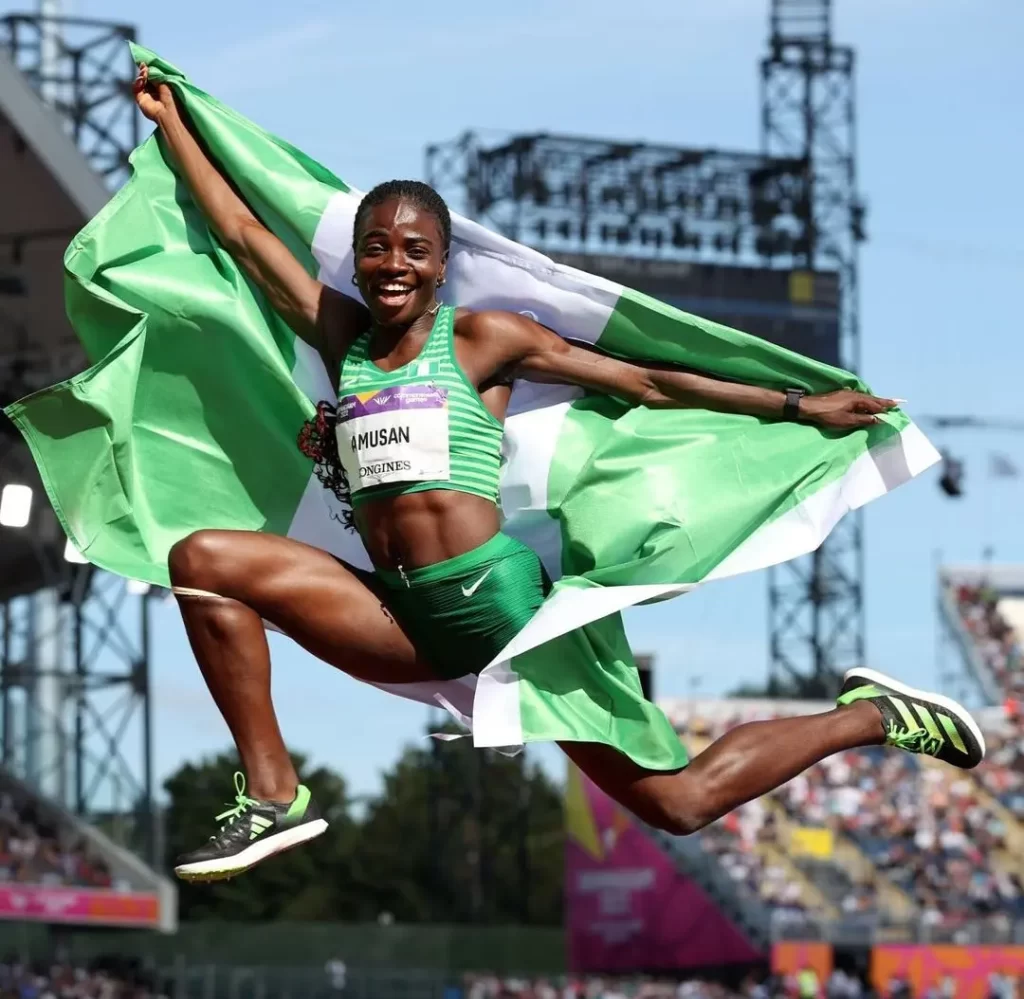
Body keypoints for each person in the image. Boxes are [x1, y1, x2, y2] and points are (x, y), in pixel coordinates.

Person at [132, 66, 986, 884]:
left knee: (682, 803)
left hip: (505, 613)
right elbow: (245, 235)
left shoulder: (482, 339)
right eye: (376, 249)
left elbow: (646, 379)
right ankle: (274, 795)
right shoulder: (341, 338)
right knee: (202, 560)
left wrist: (796, 407)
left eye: (415, 250)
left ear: (440, 263)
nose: (393, 263)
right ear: (355, 261)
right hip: (400, 612)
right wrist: (175, 126)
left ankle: (871, 714)